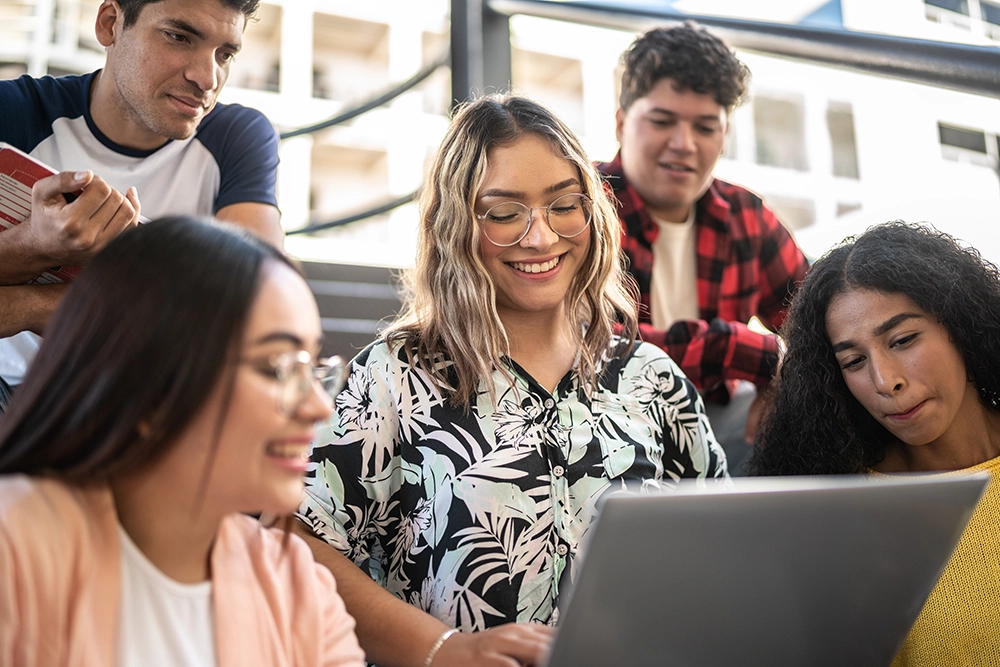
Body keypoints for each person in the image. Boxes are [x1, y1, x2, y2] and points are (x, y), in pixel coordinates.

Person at [292, 94, 728, 667]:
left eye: (564, 205)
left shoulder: (651, 377)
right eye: (503, 213)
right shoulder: (397, 373)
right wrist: (442, 649)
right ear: (456, 226)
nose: (541, 238)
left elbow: (727, 544)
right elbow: (300, 540)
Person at [0, 217, 364, 666]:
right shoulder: (14, 552)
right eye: (277, 368)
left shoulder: (298, 586)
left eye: (314, 370)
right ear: (148, 388)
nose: (318, 407)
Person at [748, 221, 1000, 666]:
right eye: (854, 361)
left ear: (961, 323)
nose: (886, 381)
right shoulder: (843, 509)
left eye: (903, 340)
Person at [0, 0, 282, 396]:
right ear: (111, 23)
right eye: (179, 36)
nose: (207, 77)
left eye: (225, 54)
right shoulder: (13, 112)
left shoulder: (237, 136)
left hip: (151, 398)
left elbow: (265, 312)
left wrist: (28, 306)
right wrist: (36, 245)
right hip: (16, 390)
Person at [596, 22, 809, 473]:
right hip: (599, 427)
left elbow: (819, 320)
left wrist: (788, 375)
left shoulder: (745, 217)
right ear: (620, 123)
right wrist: (743, 350)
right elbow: (589, 344)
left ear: (723, 135)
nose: (684, 144)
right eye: (662, 121)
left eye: (705, 127)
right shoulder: (577, 206)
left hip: (714, 426)